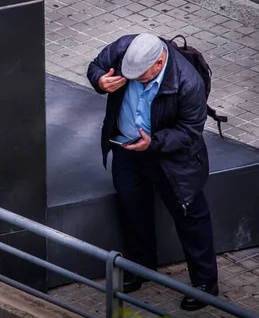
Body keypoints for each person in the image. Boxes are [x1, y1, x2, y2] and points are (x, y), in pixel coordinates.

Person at [86, 33, 218, 311]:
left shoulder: (187, 83)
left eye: (142, 77)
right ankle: (141, 268)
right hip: (126, 147)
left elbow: (190, 132)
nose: (135, 80)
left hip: (171, 159)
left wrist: (154, 143)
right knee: (132, 209)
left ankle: (205, 283)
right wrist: (100, 80)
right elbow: (96, 65)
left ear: (159, 64)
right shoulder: (126, 49)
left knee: (190, 217)